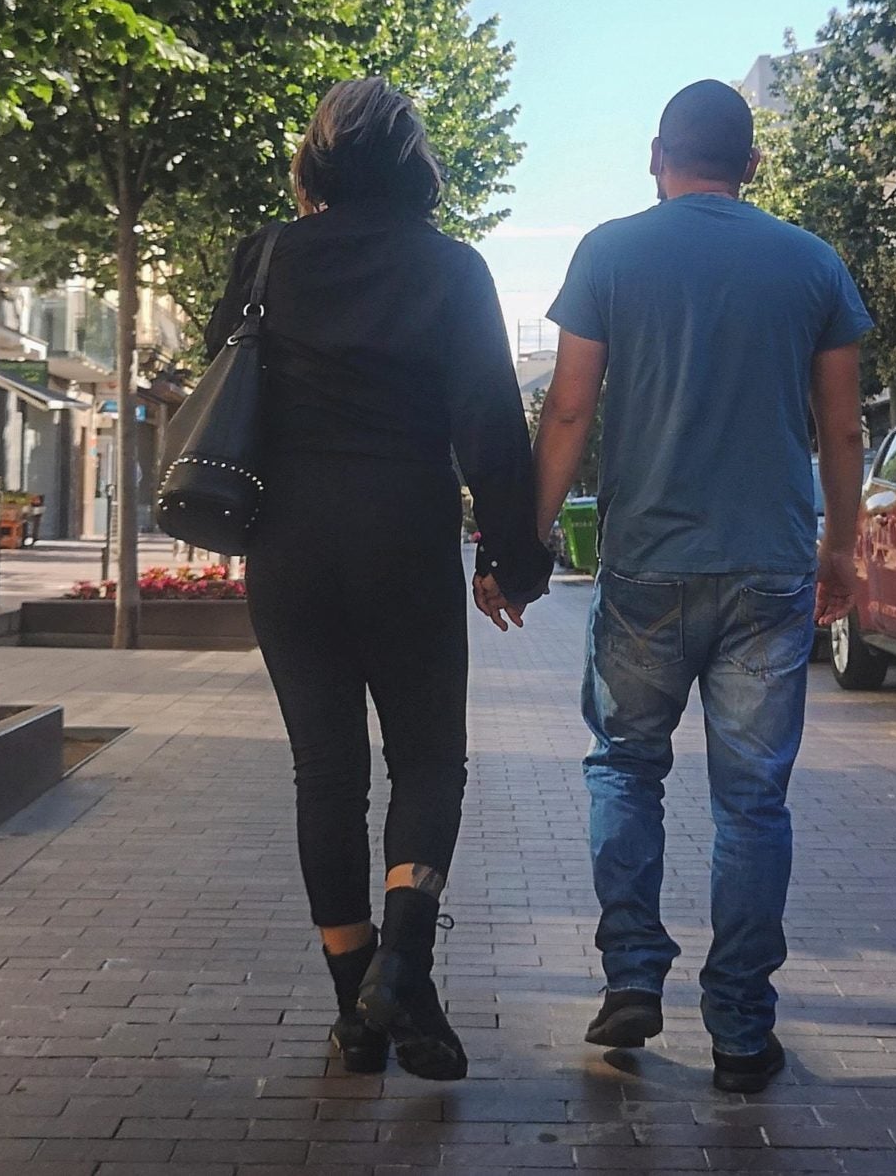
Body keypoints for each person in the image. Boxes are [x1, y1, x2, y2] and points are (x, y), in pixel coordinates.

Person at [477, 79, 870, 1094]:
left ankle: (633, 978)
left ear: (659, 154)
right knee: (752, 803)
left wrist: (519, 544)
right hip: (771, 565)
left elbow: (566, 413)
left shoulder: (610, 251)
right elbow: (843, 427)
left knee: (623, 768)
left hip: (646, 562)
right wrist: (844, 547)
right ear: (751, 163)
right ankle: (740, 1027)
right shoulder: (813, 262)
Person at [205, 77, 550, 1082]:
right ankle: (402, 965)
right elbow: (490, 421)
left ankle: (360, 1007)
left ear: (315, 162)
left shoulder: (265, 257)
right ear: (415, 166)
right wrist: (510, 557)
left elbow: (228, 381)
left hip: (289, 541)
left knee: (326, 767)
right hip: (402, 530)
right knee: (428, 757)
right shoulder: (451, 268)